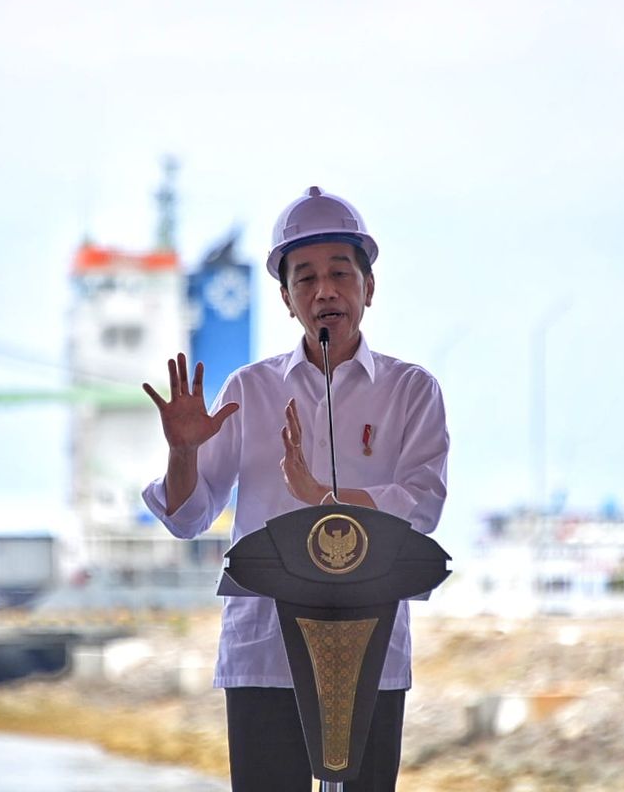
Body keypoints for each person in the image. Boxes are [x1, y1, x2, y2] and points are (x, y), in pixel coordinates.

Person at [141, 186, 449, 792]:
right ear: (286, 299)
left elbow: (424, 505)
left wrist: (323, 496)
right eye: (304, 278)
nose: (324, 290)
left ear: (369, 287)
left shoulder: (412, 390)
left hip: (370, 650)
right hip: (263, 651)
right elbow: (188, 516)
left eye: (340, 272)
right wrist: (182, 451)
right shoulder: (249, 391)